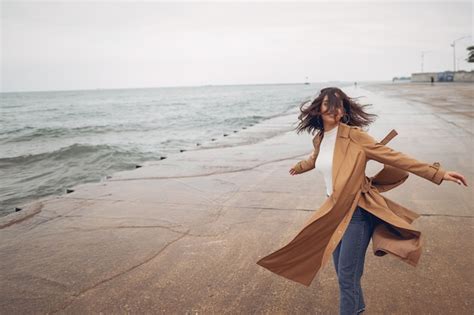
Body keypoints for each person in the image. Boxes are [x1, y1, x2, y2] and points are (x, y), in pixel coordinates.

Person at [288, 87, 468, 314]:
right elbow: (316, 159)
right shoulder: (320, 138)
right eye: (327, 104)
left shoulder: (355, 137)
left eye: (338, 105)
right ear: (318, 109)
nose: (333, 109)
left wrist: (438, 173)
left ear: (343, 111)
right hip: (333, 213)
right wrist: (298, 167)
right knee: (343, 273)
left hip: (356, 214)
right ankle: (358, 309)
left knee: (347, 277)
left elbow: (396, 157)